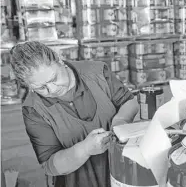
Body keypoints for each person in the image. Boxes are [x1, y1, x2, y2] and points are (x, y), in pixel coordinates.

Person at [10, 41, 139, 187]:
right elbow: (50, 165)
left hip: (120, 171)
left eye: (53, 79)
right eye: (40, 88)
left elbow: (129, 102)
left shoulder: (97, 72)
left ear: (59, 60)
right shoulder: (33, 109)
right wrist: (84, 149)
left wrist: (121, 121)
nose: (52, 90)